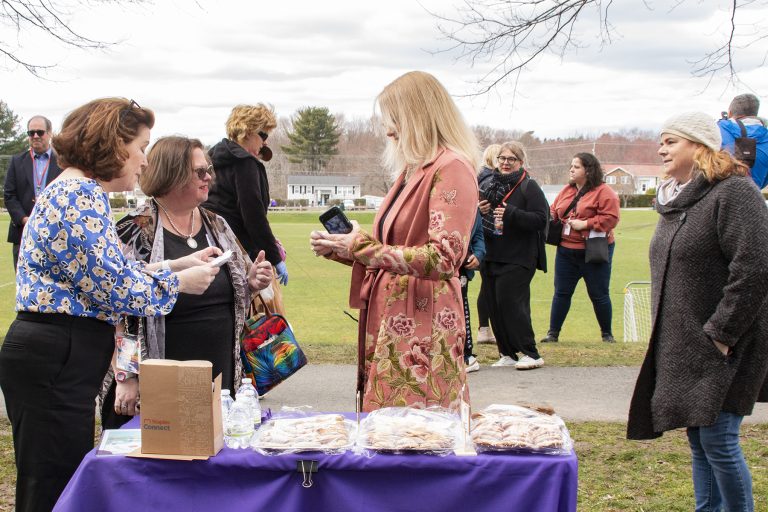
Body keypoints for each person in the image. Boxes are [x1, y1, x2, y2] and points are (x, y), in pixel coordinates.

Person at [0, 98, 220, 512]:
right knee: (52, 484)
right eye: (140, 147)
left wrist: (173, 263)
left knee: (54, 477)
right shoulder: (80, 193)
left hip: (56, 354)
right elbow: (116, 287)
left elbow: (102, 271)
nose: (143, 161)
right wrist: (179, 283)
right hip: (56, 355)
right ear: (114, 145)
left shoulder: (72, 190)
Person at [310, 71, 479, 411]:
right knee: (387, 424)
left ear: (419, 117)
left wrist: (361, 247)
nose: (389, 131)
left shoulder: (451, 168)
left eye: (395, 121)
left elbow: (445, 258)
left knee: (415, 429)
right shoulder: (412, 171)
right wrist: (346, 248)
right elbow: (393, 246)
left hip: (423, 321)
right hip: (393, 314)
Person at [628, 111, 768, 511]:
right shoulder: (679, 199)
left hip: (728, 340)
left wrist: (723, 333)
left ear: (698, 144)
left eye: (671, 141)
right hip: (687, 341)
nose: (661, 149)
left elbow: (755, 266)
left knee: (719, 438)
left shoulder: (734, 192)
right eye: (661, 141)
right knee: (700, 436)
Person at [100, 136, 274, 428]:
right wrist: (127, 375)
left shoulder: (217, 225)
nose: (210, 178)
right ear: (172, 174)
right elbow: (116, 313)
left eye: (209, 170)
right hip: (158, 383)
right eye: (200, 172)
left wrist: (252, 281)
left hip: (219, 376)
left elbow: (236, 289)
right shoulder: (134, 229)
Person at [479, 141, 548, 370]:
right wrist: (482, 211)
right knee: (495, 304)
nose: (506, 163)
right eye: (502, 159)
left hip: (519, 256)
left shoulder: (529, 186)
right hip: (492, 254)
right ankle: (507, 352)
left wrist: (512, 213)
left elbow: (540, 219)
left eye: (511, 159)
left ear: (520, 162)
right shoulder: (490, 185)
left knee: (512, 304)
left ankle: (530, 352)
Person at [202, 104, 288, 286]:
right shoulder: (245, 163)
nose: (265, 142)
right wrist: (275, 257)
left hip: (210, 245)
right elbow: (253, 215)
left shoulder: (212, 158)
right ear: (247, 131)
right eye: (263, 135)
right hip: (236, 252)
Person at [541, 153, 619, 344]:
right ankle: (553, 333)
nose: (571, 169)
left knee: (599, 293)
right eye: (571, 166)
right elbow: (553, 209)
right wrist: (551, 217)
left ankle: (607, 334)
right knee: (561, 292)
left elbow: (611, 218)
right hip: (566, 251)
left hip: (594, 250)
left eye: (576, 167)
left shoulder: (603, 191)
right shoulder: (567, 190)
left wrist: (585, 224)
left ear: (588, 170)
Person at [3, 115, 63, 269]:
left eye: (40, 132)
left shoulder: (62, 162)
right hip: (23, 233)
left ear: (49, 133)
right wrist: (24, 219)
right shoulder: (17, 162)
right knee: (23, 287)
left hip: (54, 235)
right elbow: (9, 195)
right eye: (31, 133)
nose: (35, 136)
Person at [718, 93, 767, 189]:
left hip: (720, 196)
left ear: (730, 113)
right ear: (755, 113)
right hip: (754, 197)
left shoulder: (720, 128)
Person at [476, 143, 499, 345]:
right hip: (492, 237)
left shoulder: (478, 178)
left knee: (486, 284)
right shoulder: (492, 181)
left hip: (480, 237)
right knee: (490, 285)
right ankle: (487, 329)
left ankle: (484, 328)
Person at [461, 211, 485, 373]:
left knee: (461, 309)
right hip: (437, 267)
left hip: (461, 268)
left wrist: (478, 254)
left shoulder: (472, 208)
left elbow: (478, 236)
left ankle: (467, 355)